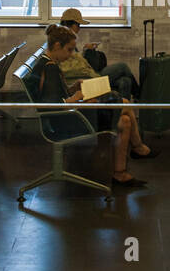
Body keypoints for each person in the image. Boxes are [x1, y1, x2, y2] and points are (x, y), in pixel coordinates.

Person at [24, 24, 152, 187]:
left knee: (125, 121)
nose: (71, 55)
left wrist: (73, 88)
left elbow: (56, 97)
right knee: (124, 103)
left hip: (69, 116)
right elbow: (51, 106)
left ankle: (120, 173)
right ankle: (138, 147)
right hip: (65, 122)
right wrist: (78, 98)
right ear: (57, 46)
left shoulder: (47, 64)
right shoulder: (49, 68)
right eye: (69, 50)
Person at [57, 8, 139, 100]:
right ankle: (139, 95)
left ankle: (122, 111)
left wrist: (84, 51)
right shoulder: (62, 42)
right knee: (123, 67)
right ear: (73, 24)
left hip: (91, 75)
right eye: (78, 25)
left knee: (125, 81)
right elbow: (67, 67)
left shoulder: (67, 40)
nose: (79, 28)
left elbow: (73, 60)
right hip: (89, 79)